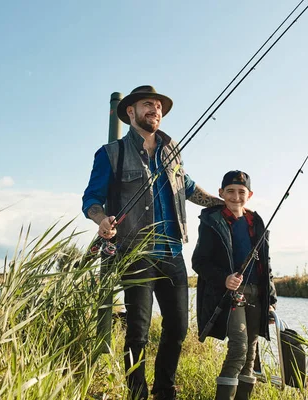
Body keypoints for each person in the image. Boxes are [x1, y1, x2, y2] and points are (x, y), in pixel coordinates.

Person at [82, 85, 223, 400]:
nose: (155, 110)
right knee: (138, 333)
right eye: (148, 104)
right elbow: (91, 198)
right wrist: (101, 220)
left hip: (172, 251)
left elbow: (186, 186)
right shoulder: (111, 154)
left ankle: (164, 390)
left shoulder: (172, 150)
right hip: (135, 253)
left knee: (178, 329)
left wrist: (221, 203)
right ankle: (137, 394)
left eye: (158, 106)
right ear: (130, 111)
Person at [192, 170, 277, 400]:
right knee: (238, 348)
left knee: (251, 352)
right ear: (221, 193)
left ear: (249, 195)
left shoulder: (256, 222)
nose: (236, 196)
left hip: (256, 294)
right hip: (231, 295)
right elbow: (198, 262)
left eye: (241, 192)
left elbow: (266, 266)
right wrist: (224, 279)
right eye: (230, 191)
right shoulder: (212, 221)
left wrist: (271, 301)